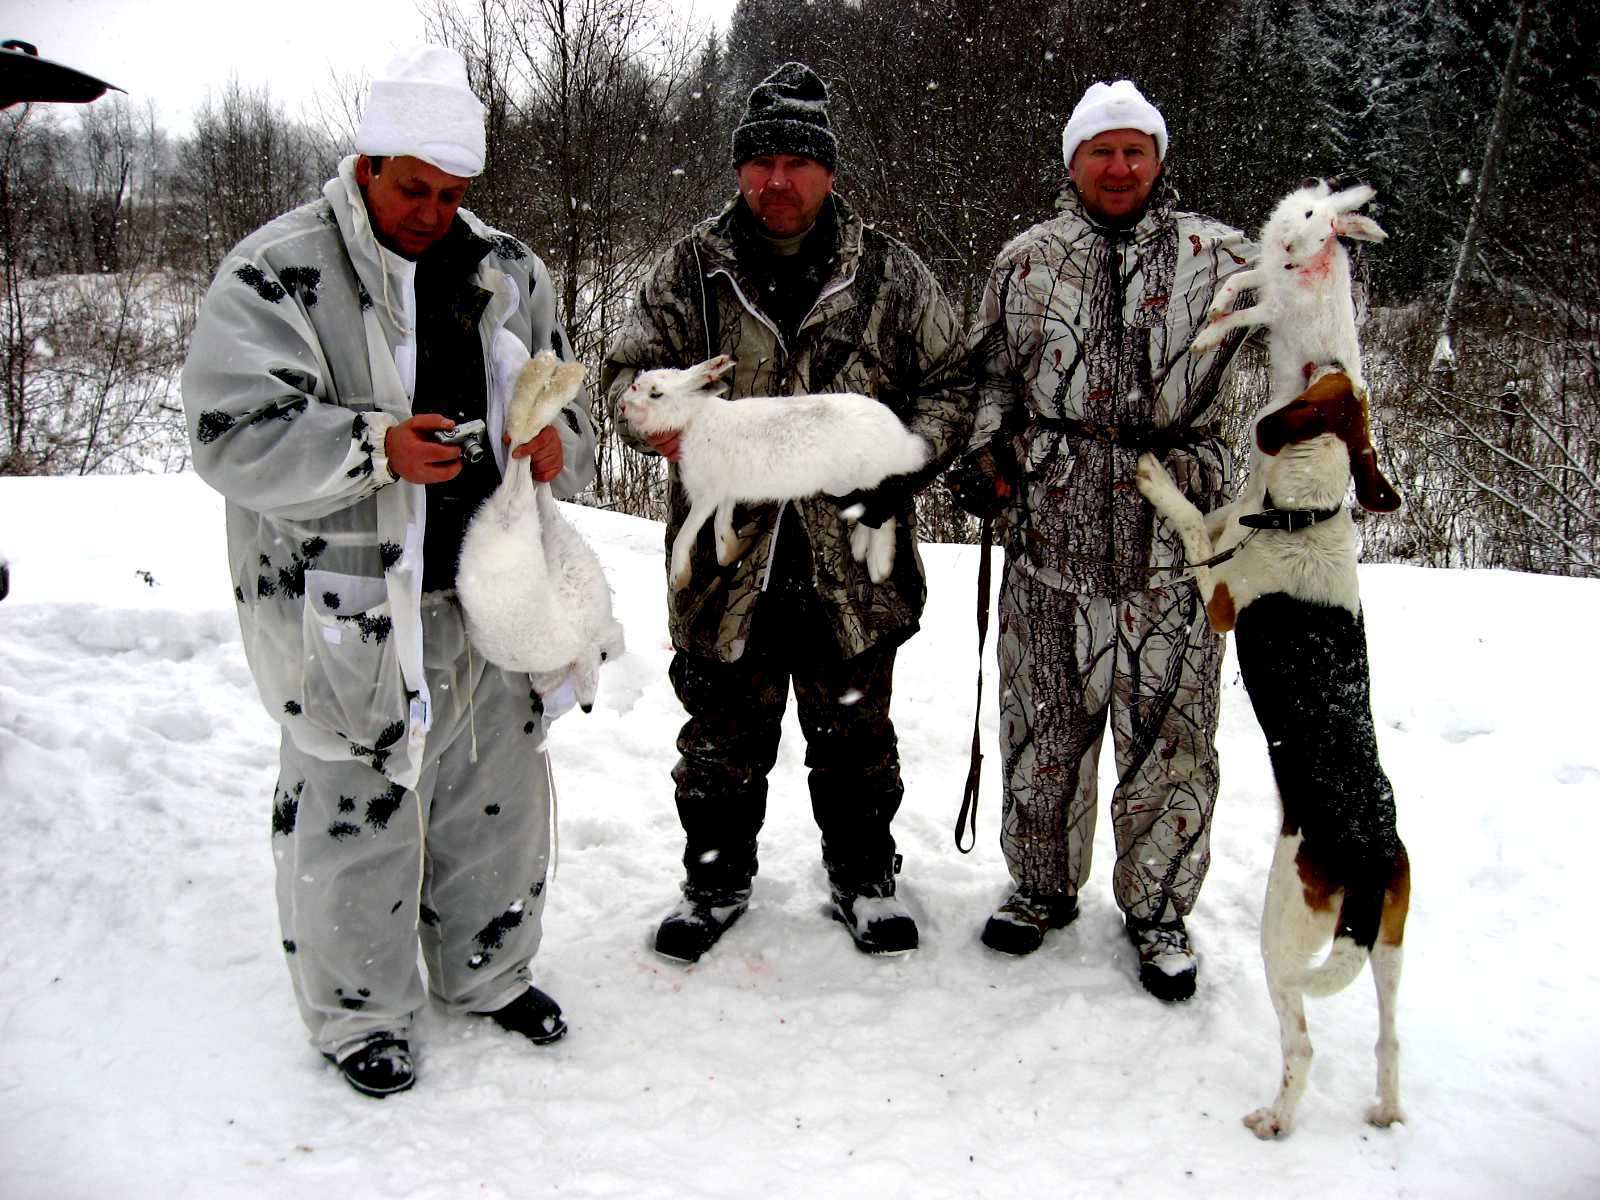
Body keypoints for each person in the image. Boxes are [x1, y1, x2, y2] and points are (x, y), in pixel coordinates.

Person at [181, 46, 597, 1096]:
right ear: (367, 161)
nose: (431, 209)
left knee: (490, 798)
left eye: (452, 191)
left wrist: (561, 445)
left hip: (491, 585)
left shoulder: (506, 268)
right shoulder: (283, 271)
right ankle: (359, 1012)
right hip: (351, 600)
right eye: (412, 185)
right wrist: (375, 449)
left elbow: (562, 400)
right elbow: (228, 433)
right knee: (356, 803)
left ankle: (489, 971)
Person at [603, 62, 972, 963]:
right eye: (761, 161)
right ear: (739, 170)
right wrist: (650, 425)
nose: (778, 181)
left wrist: (907, 463)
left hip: (851, 550)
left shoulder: (888, 273)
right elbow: (623, 374)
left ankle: (863, 876)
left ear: (830, 173)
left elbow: (957, 381)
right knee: (721, 734)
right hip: (729, 561)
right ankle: (717, 880)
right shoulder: (693, 269)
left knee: (854, 730)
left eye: (798, 163)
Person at [948, 79, 1258, 1001]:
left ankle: (1159, 909)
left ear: (1158, 159)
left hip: (1177, 540)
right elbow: (989, 379)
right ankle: (1039, 887)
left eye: (1135, 150)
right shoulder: (1026, 260)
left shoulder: (1223, 257)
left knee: (1173, 737)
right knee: (1042, 720)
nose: (1118, 167)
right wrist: (984, 460)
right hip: (1052, 530)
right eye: (1101, 151)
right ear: (1072, 161)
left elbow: (1309, 318)